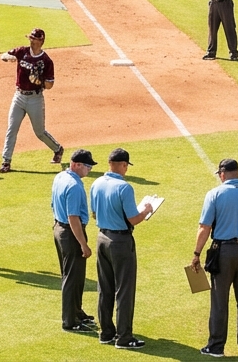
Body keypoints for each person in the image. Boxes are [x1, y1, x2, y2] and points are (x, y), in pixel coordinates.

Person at [192, 158, 238, 358]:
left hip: (223, 253)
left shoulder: (214, 194)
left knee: (219, 300)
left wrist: (196, 254)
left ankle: (216, 346)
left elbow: (205, 228)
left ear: (222, 175)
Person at [90, 147, 155, 348]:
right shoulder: (125, 188)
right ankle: (124, 337)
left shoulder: (96, 183)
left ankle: (106, 333)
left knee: (105, 288)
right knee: (124, 290)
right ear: (124, 165)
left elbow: (94, 214)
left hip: (102, 238)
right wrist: (146, 210)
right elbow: (133, 218)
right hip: (120, 242)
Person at [0, 28, 64, 172]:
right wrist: (10, 58)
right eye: (31, 38)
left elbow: (50, 85)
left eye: (35, 39)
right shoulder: (22, 51)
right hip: (19, 97)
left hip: (35, 98)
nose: (32, 41)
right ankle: (6, 161)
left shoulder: (46, 61)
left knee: (39, 132)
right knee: (12, 129)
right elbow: (4, 55)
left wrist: (39, 81)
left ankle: (57, 149)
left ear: (41, 41)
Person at [52, 149, 97, 333]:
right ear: (76, 165)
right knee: (72, 278)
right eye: (87, 166)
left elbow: (53, 204)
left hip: (58, 228)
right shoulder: (75, 186)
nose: (89, 170)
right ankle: (70, 321)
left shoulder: (60, 177)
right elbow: (73, 218)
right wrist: (83, 244)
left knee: (74, 276)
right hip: (71, 233)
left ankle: (77, 312)